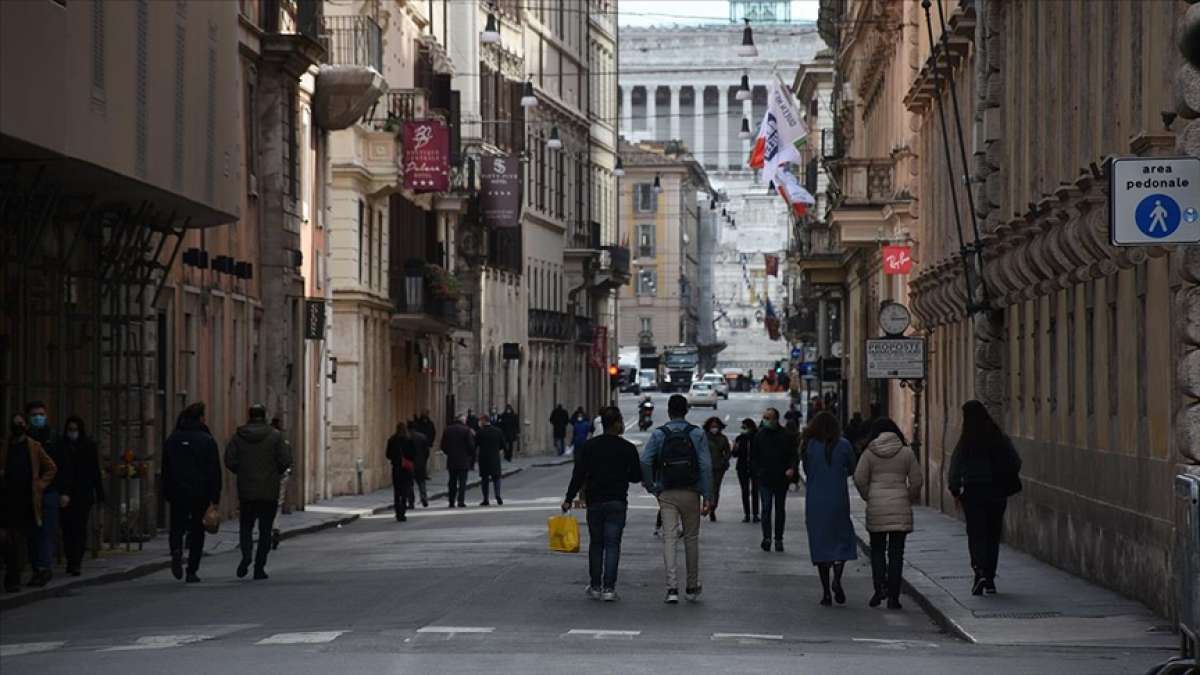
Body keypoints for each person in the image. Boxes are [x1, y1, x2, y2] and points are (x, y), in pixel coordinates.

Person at [562, 406, 643, 602]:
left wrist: (568, 498)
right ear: (617, 424)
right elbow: (636, 477)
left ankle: (596, 585)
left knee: (596, 544)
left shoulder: (590, 447)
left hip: (595, 501)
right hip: (616, 500)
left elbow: (579, 474)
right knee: (613, 545)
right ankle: (609, 587)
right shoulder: (627, 448)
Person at [640, 394, 713, 604]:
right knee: (691, 539)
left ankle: (671, 588)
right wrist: (707, 495)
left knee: (669, 539)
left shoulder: (659, 434)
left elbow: (645, 461)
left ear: (669, 411)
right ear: (686, 411)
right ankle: (691, 586)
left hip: (667, 491)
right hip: (691, 491)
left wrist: (652, 486)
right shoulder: (697, 433)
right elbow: (706, 466)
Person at [948, 400, 1023, 596]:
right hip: (997, 493)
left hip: (973, 493)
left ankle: (979, 571)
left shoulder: (966, 441)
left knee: (976, 534)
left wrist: (955, 490)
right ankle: (989, 578)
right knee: (992, 535)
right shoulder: (999, 438)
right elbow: (1015, 461)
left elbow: (955, 468)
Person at [854, 417, 923, 609]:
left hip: (877, 506)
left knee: (877, 550)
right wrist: (907, 496)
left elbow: (859, 478)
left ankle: (879, 589)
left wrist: (870, 496)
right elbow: (917, 481)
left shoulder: (869, 453)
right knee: (896, 553)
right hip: (900, 506)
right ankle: (894, 596)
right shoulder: (906, 453)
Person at [224, 404, 293, 580]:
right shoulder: (275, 436)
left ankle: (246, 556)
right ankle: (259, 567)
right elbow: (286, 460)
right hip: (269, 490)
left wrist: (242, 471)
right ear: (265, 416)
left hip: (247, 490)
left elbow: (229, 459)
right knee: (265, 530)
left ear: (250, 415)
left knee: (246, 527)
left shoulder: (239, 436)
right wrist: (274, 473)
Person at [802, 412, 858, 606]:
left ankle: (826, 592)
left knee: (820, 544)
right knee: (841, 540)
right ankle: (838, 578)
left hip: (816, 502)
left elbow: (807, 470)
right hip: (838, 499)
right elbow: (852, 467)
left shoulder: (809, 446)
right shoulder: (844, 445)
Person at [162, 402, 221, 583]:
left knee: (177, 526)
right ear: (201, 418)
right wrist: (215, 496)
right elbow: (214, 470)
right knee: (197, 530)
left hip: (178, 491)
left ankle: (177, 551)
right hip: (200, 492)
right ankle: (192, 570)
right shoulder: (207, 440)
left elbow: (166, 469)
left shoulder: (172, 439)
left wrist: (167, 491)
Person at [2, 414, 57, 590]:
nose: (17, 426)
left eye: (20, 423)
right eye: (15, 423)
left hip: (27, 499)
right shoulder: (5, 446)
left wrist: (40, 485)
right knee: (8, 539)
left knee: (23, 538)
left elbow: (51, 467)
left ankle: (22, 575)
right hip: (7, 498)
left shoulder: (33, 446)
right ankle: (13, 576)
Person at [58, 416, 105, 577]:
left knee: (79, 529)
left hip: (83, 495)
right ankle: (70, 558)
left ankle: (76, 562)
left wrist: (100, 494)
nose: (73, 433)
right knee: (67, 529)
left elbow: (95, 471)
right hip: (65, 495)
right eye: (70, 429)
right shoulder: (61, 446)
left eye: (75, 429)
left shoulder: (88, 446)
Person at [24, 401, 63, 585]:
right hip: (27, 493)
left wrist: (62, 491)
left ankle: (43, 568)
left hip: (49, 492)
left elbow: (60, 467)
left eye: (41, 414)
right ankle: (36, 567)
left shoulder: (53, 438)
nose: (38, 417)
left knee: (46, 531)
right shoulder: (24, 439)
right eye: (34, 415)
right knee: (31, 533)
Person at [751, 408, 798, 552]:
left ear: (776, 419)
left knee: (779, 509)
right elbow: (754, 456)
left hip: (780, 478)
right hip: (764, 478)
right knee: (766, 508)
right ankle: (766, 537)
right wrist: (757, 472)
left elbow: (793, 455)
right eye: (764, 417)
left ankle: (778, 538)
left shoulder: (786, 436)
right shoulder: (759, 436)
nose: (765, 420)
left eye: (768, 417)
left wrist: (791, 468)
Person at [440, 415, 476, 508]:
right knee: (462, 482)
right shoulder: (466, 430)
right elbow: (471, 446)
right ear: (463, 421)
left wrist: (449, 452)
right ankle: (461, 501)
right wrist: (469, 455)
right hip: (463, 460)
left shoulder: (448, 430)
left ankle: (451, 501)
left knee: (452, 481)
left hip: (452, 460)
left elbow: (443, 446)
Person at [703, 417, 731, 522]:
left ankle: (713, 508)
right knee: (707, 488)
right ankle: (707, 506)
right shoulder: (704, 437)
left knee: (716, 488)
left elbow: (728, 452)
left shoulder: (723, 438)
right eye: (712, 426)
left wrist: (724, 460)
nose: (714, 428)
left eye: (716, 426)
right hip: (707, 467)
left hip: (719, 467)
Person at [386, 423, 415, 522]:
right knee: (405, 491)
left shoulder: (392, 439)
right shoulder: (409, 440)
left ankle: (398, 512)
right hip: (406, 469)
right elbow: (413, 454)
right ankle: (403, 511)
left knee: (397, 491)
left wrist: (396, 458)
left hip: (396, 468)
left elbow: (388, 455)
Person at [732, 419, 759, 523]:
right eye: (742, 428)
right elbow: (734, 454)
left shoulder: (757, 437)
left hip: (754, 467)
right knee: (745, 491)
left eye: (745, 427)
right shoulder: (740, 438)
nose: (743, 429)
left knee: (755, 491)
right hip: (742, 467)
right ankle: (747, 514)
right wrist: (735, 447)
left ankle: (755, 514)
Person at [475, 415, 506, 506]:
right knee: (496, 477)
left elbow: (475, 444)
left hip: (483, 458)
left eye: (480, 421)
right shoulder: (498, 431)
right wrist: (497, 449)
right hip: (495, 457)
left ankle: (485, 499)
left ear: (484, 421)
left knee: (485, 479)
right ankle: (497, 495)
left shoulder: (480, 432)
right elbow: (503, 444)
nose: (480, 423)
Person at [407, 421, 431, 508]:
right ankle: (424, 498)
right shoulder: (422, 437)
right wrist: (424, 460)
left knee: (409, 484)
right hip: (420, 463)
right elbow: (427, 452)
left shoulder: (407, 437)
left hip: (409, 464)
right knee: (421, 482)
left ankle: (411, 501)